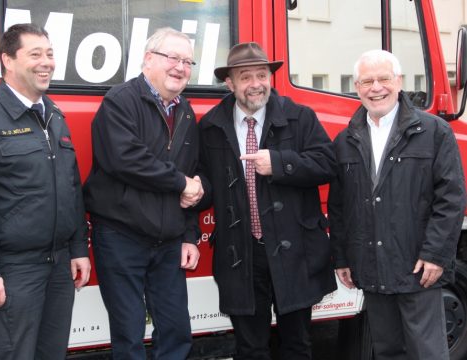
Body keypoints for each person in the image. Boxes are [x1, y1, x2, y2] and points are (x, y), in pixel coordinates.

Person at [0, 23, 91, 359]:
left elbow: (70, 188)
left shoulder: (54, 116)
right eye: (35, 54)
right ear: (8, 61)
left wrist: (77, 248)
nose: (47, 62)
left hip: (57, 267)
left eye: (50, 54)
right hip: (14, 270)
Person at [196, 42, 337, 360]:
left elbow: (328, 164)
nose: (256, 84)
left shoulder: (300, 117)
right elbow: (205, 180)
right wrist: (195, 189)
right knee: (250, 348)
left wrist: (281, 163)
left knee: (297, 345)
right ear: (230, 83)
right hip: (241, 255)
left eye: (262, 75)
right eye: (245, 77)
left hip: (295, 251)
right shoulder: (210, 127)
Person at [328, 49, 466, 360]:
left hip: (417, 268)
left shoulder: (434, 132)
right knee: (388, 351)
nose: (375, 88)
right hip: (372, 269)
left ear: (399, 82)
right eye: (367, 81)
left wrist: (435, 255)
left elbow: (451, 198)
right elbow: (339, 207)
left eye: (383, 79)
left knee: (427, 352)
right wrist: (342, 256)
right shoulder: (346, 139)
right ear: (357, 86)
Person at [82, 27, 202, 360]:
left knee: (177, 331)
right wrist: (180, 183)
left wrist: (190, 235)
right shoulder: (120, 100)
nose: (180, 67)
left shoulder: (186, 112)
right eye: (173, 58)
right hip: (122, 237)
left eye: (188, 61)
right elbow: (126, 160)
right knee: (129, 333)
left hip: (168, 243)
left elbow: (192, 178)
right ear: (149, 59)